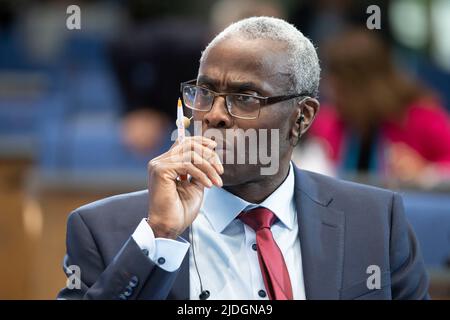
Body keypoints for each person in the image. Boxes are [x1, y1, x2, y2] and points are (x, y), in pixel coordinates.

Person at [58, 17, 429, 300]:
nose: (214, 115)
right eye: (204, 93)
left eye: (245, 97)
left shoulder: (377, 220)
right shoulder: (106, 230)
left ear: (301, 118)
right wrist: (161, 236)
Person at [310, 29, 450, 186]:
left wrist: (425, 172)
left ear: (368, 86)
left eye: (343, 90)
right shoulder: (329, 122)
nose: (330, 92)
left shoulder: (422, 118)